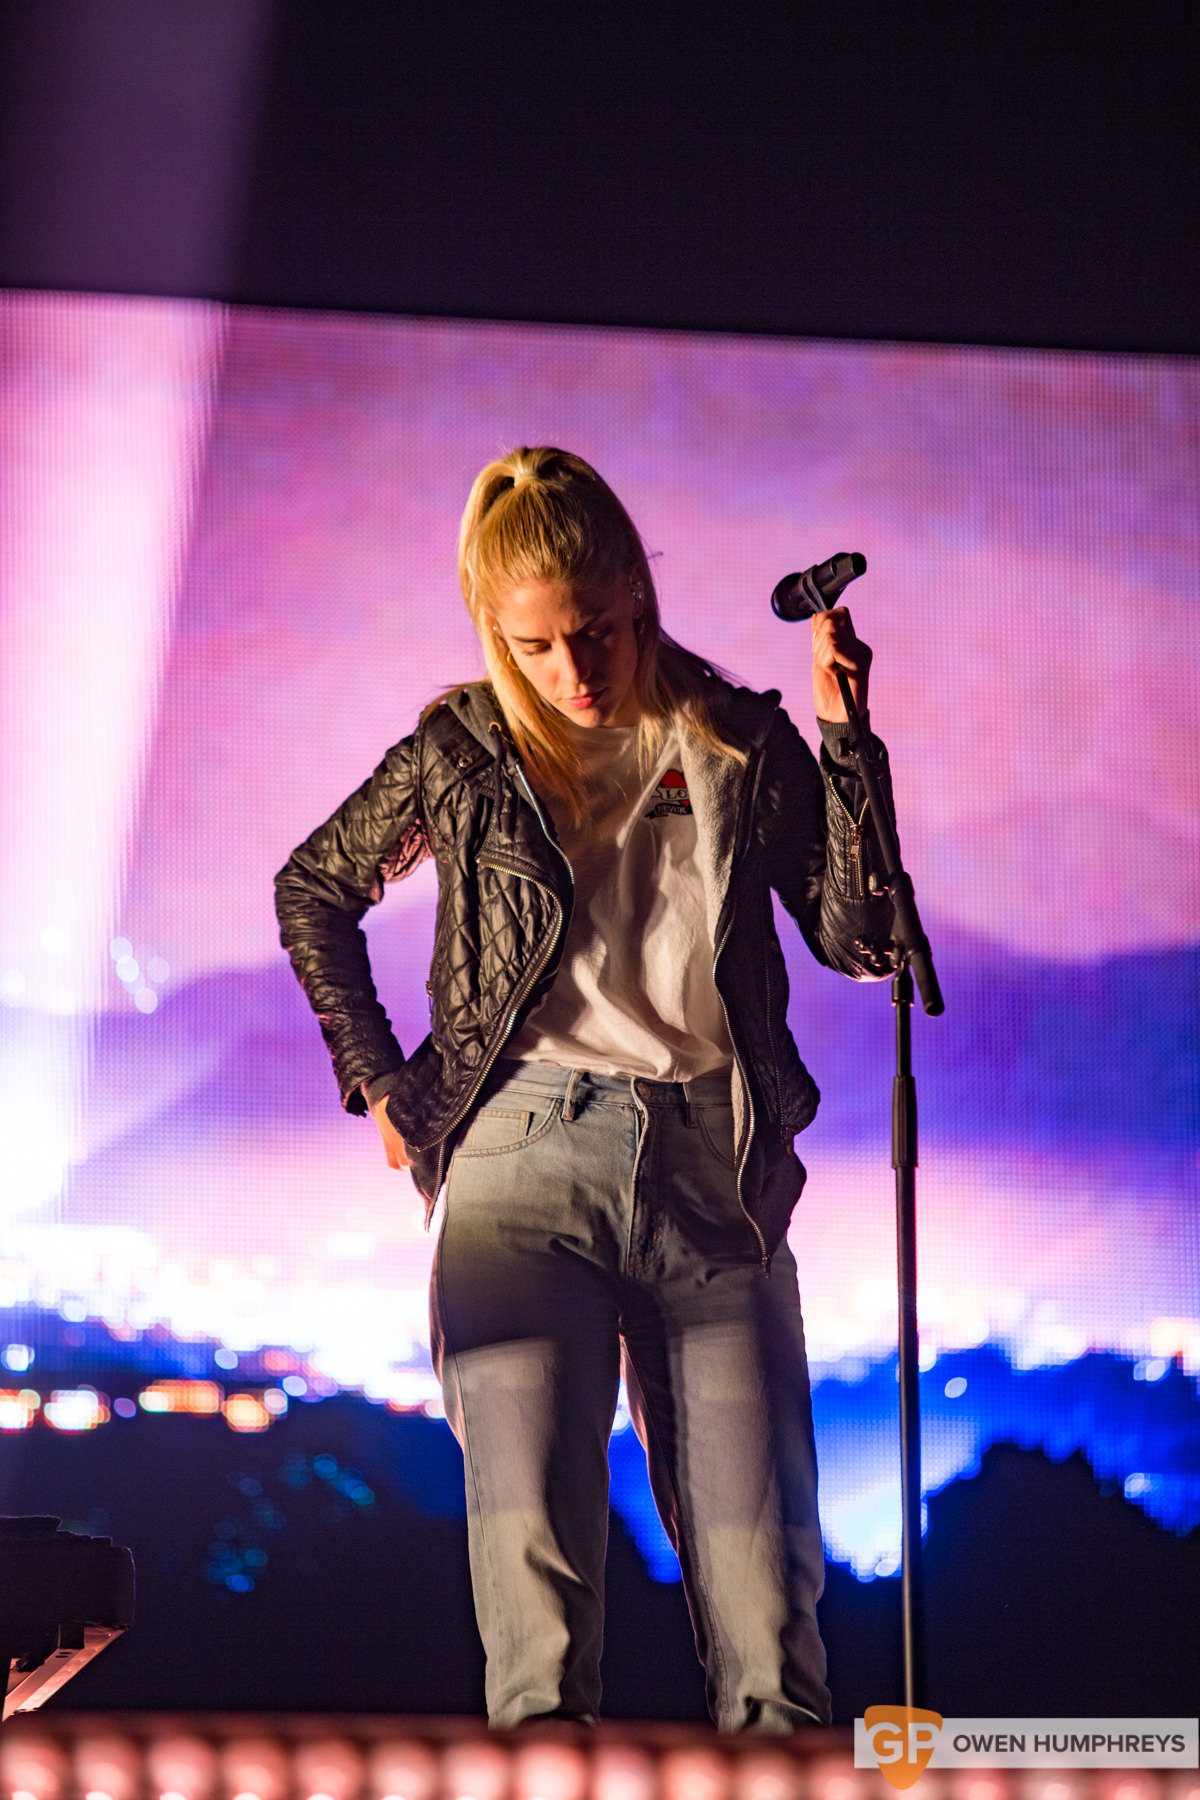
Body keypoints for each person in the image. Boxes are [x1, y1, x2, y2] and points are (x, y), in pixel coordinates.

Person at [274, 445, 898, 1732]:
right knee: (540, 1648)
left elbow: (862, 938)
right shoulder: (465, 748)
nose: (574, 671)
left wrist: (845, 743)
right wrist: (377, 1084)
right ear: (496, 634)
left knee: (775, 1639)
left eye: (599, 631)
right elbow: (314, 886)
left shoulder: (732, 737)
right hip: (521, 1159)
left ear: (638, 593)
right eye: (540, 646)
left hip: (712, 1171)